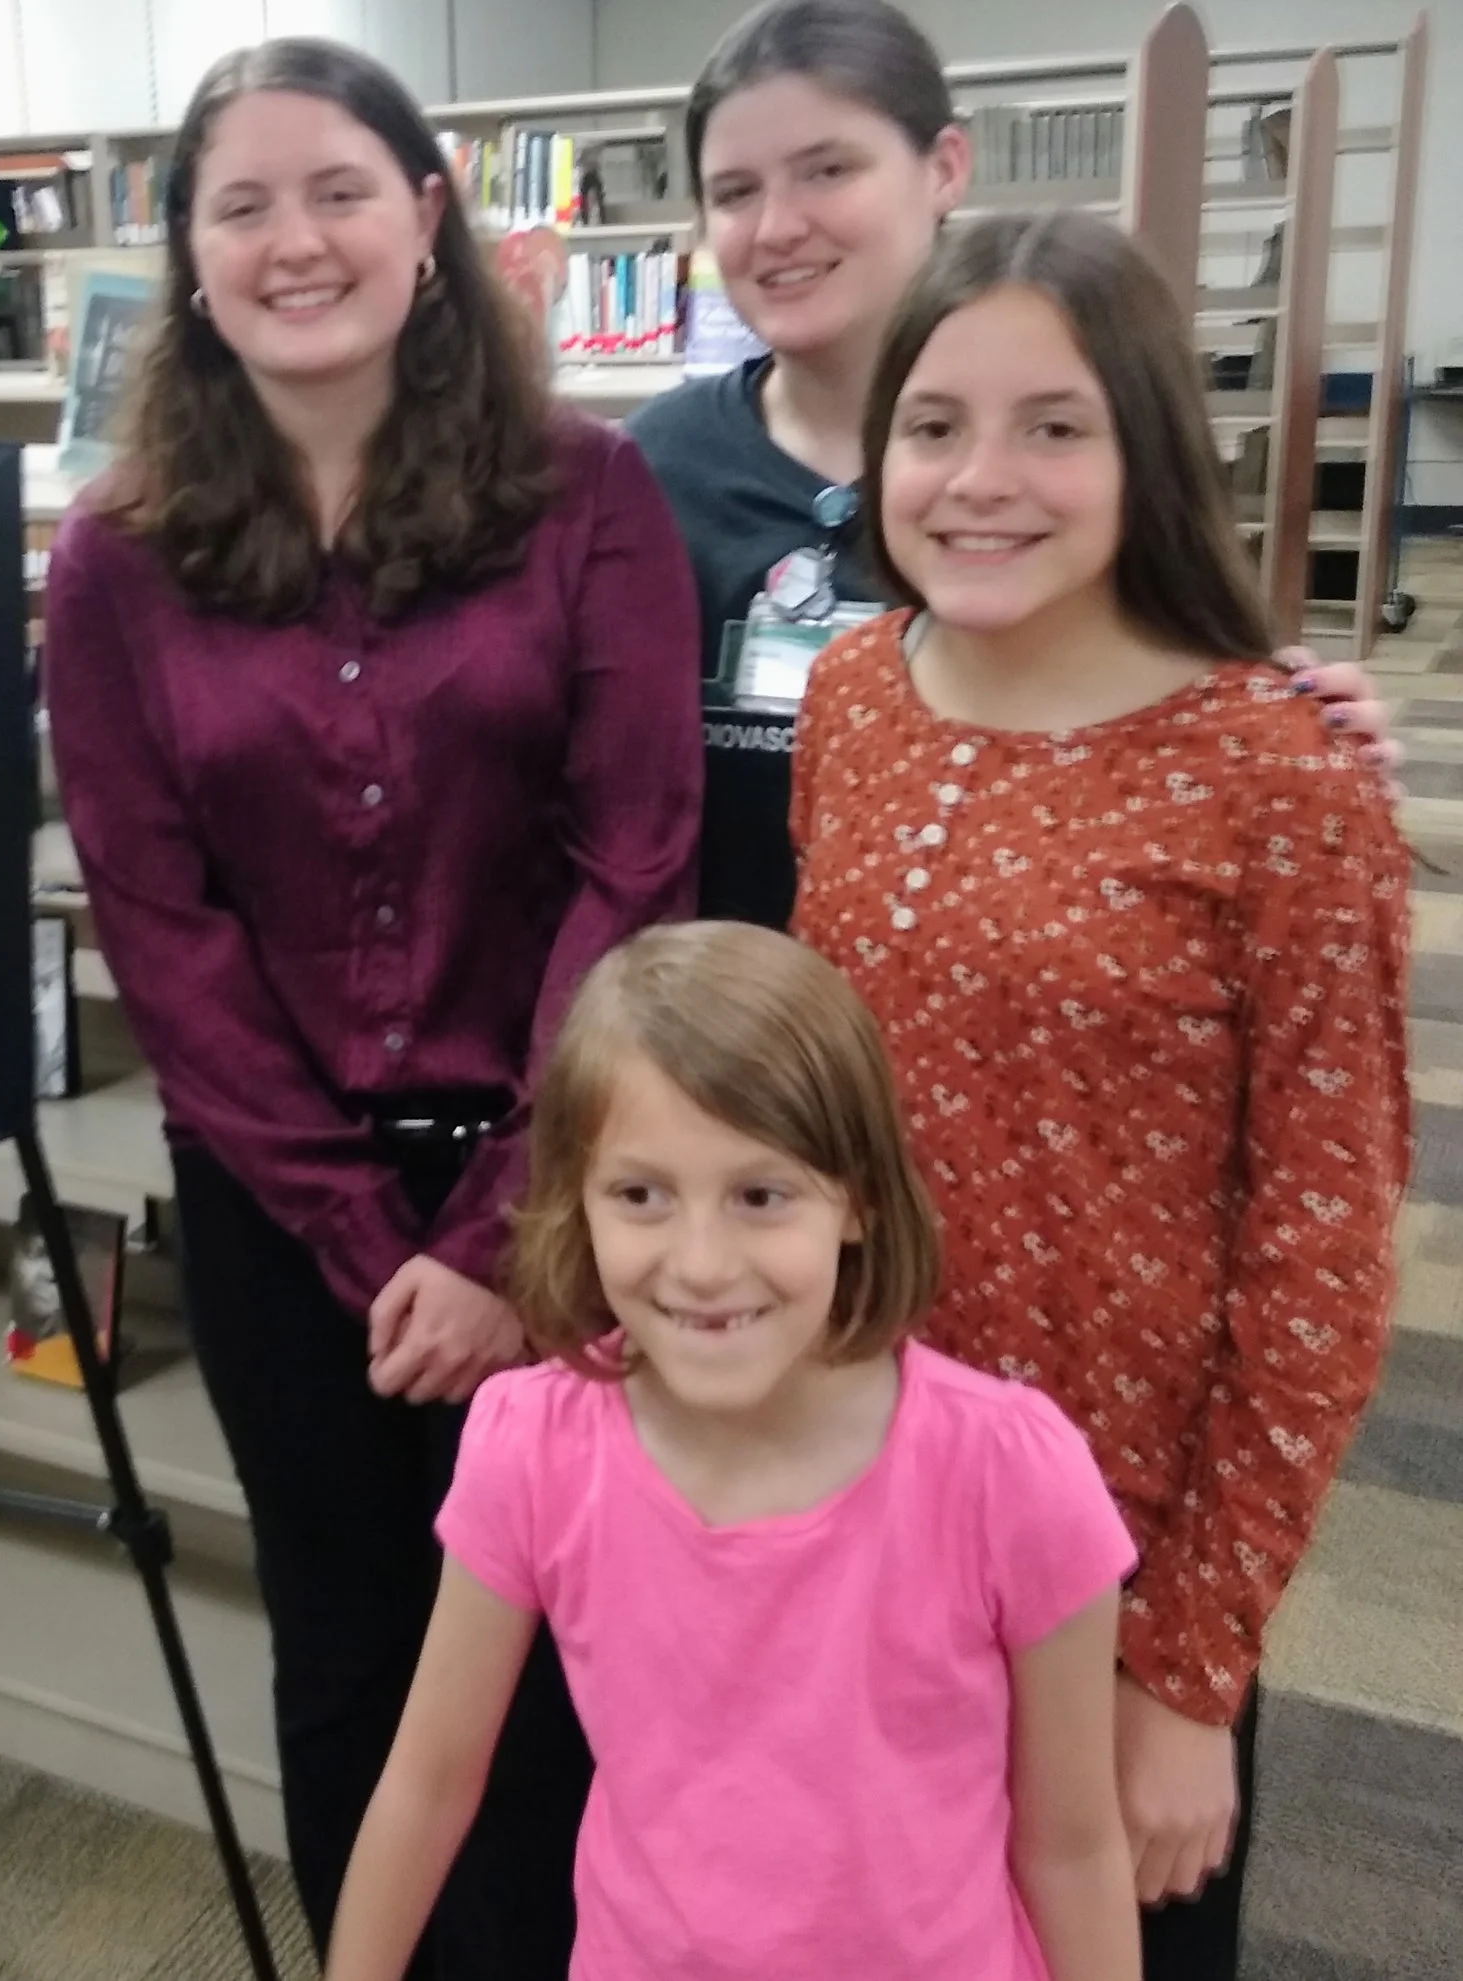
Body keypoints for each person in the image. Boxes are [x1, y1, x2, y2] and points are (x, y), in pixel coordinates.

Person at [42, 35, 702, 1978]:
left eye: (337, 191)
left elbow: (635, 864)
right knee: (344, 1651)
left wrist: (503, 1233)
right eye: (239, 205)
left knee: (569, 1654)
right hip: (277, 1214)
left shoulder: (587, 496)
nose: (294, 241)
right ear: (188, 253)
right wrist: (356, 1236)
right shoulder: (115, 561)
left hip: (567, 1190)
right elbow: (162, 929)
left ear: (426, 218)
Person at [788, 209, 1412, 1980]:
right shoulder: (851, 694)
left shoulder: (1280, 779)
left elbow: (1318, 1260)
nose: (981, 478)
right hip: (851, 1493)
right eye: (932, 425)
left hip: (1114, 1546)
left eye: (1052, 426)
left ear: (1144, 446)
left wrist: (1190, 1668)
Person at [325, 922, 1142, 1980]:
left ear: (857, 1199)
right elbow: (428, 1783)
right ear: (577, 1198)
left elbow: (1072, 1848)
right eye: (640, 1195)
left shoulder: (1012, 1475)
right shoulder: (528, 1447)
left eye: (760, 1195)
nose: (702, 1264)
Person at [624, 0, 1397, 930]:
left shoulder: (1063, 480)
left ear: (945, 167)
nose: (778, 225)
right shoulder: (649, 469)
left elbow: (1171, 662)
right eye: (733, 191)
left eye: (828, 169)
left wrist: (1292, 736)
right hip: (717, 993)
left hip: (1036, 972)